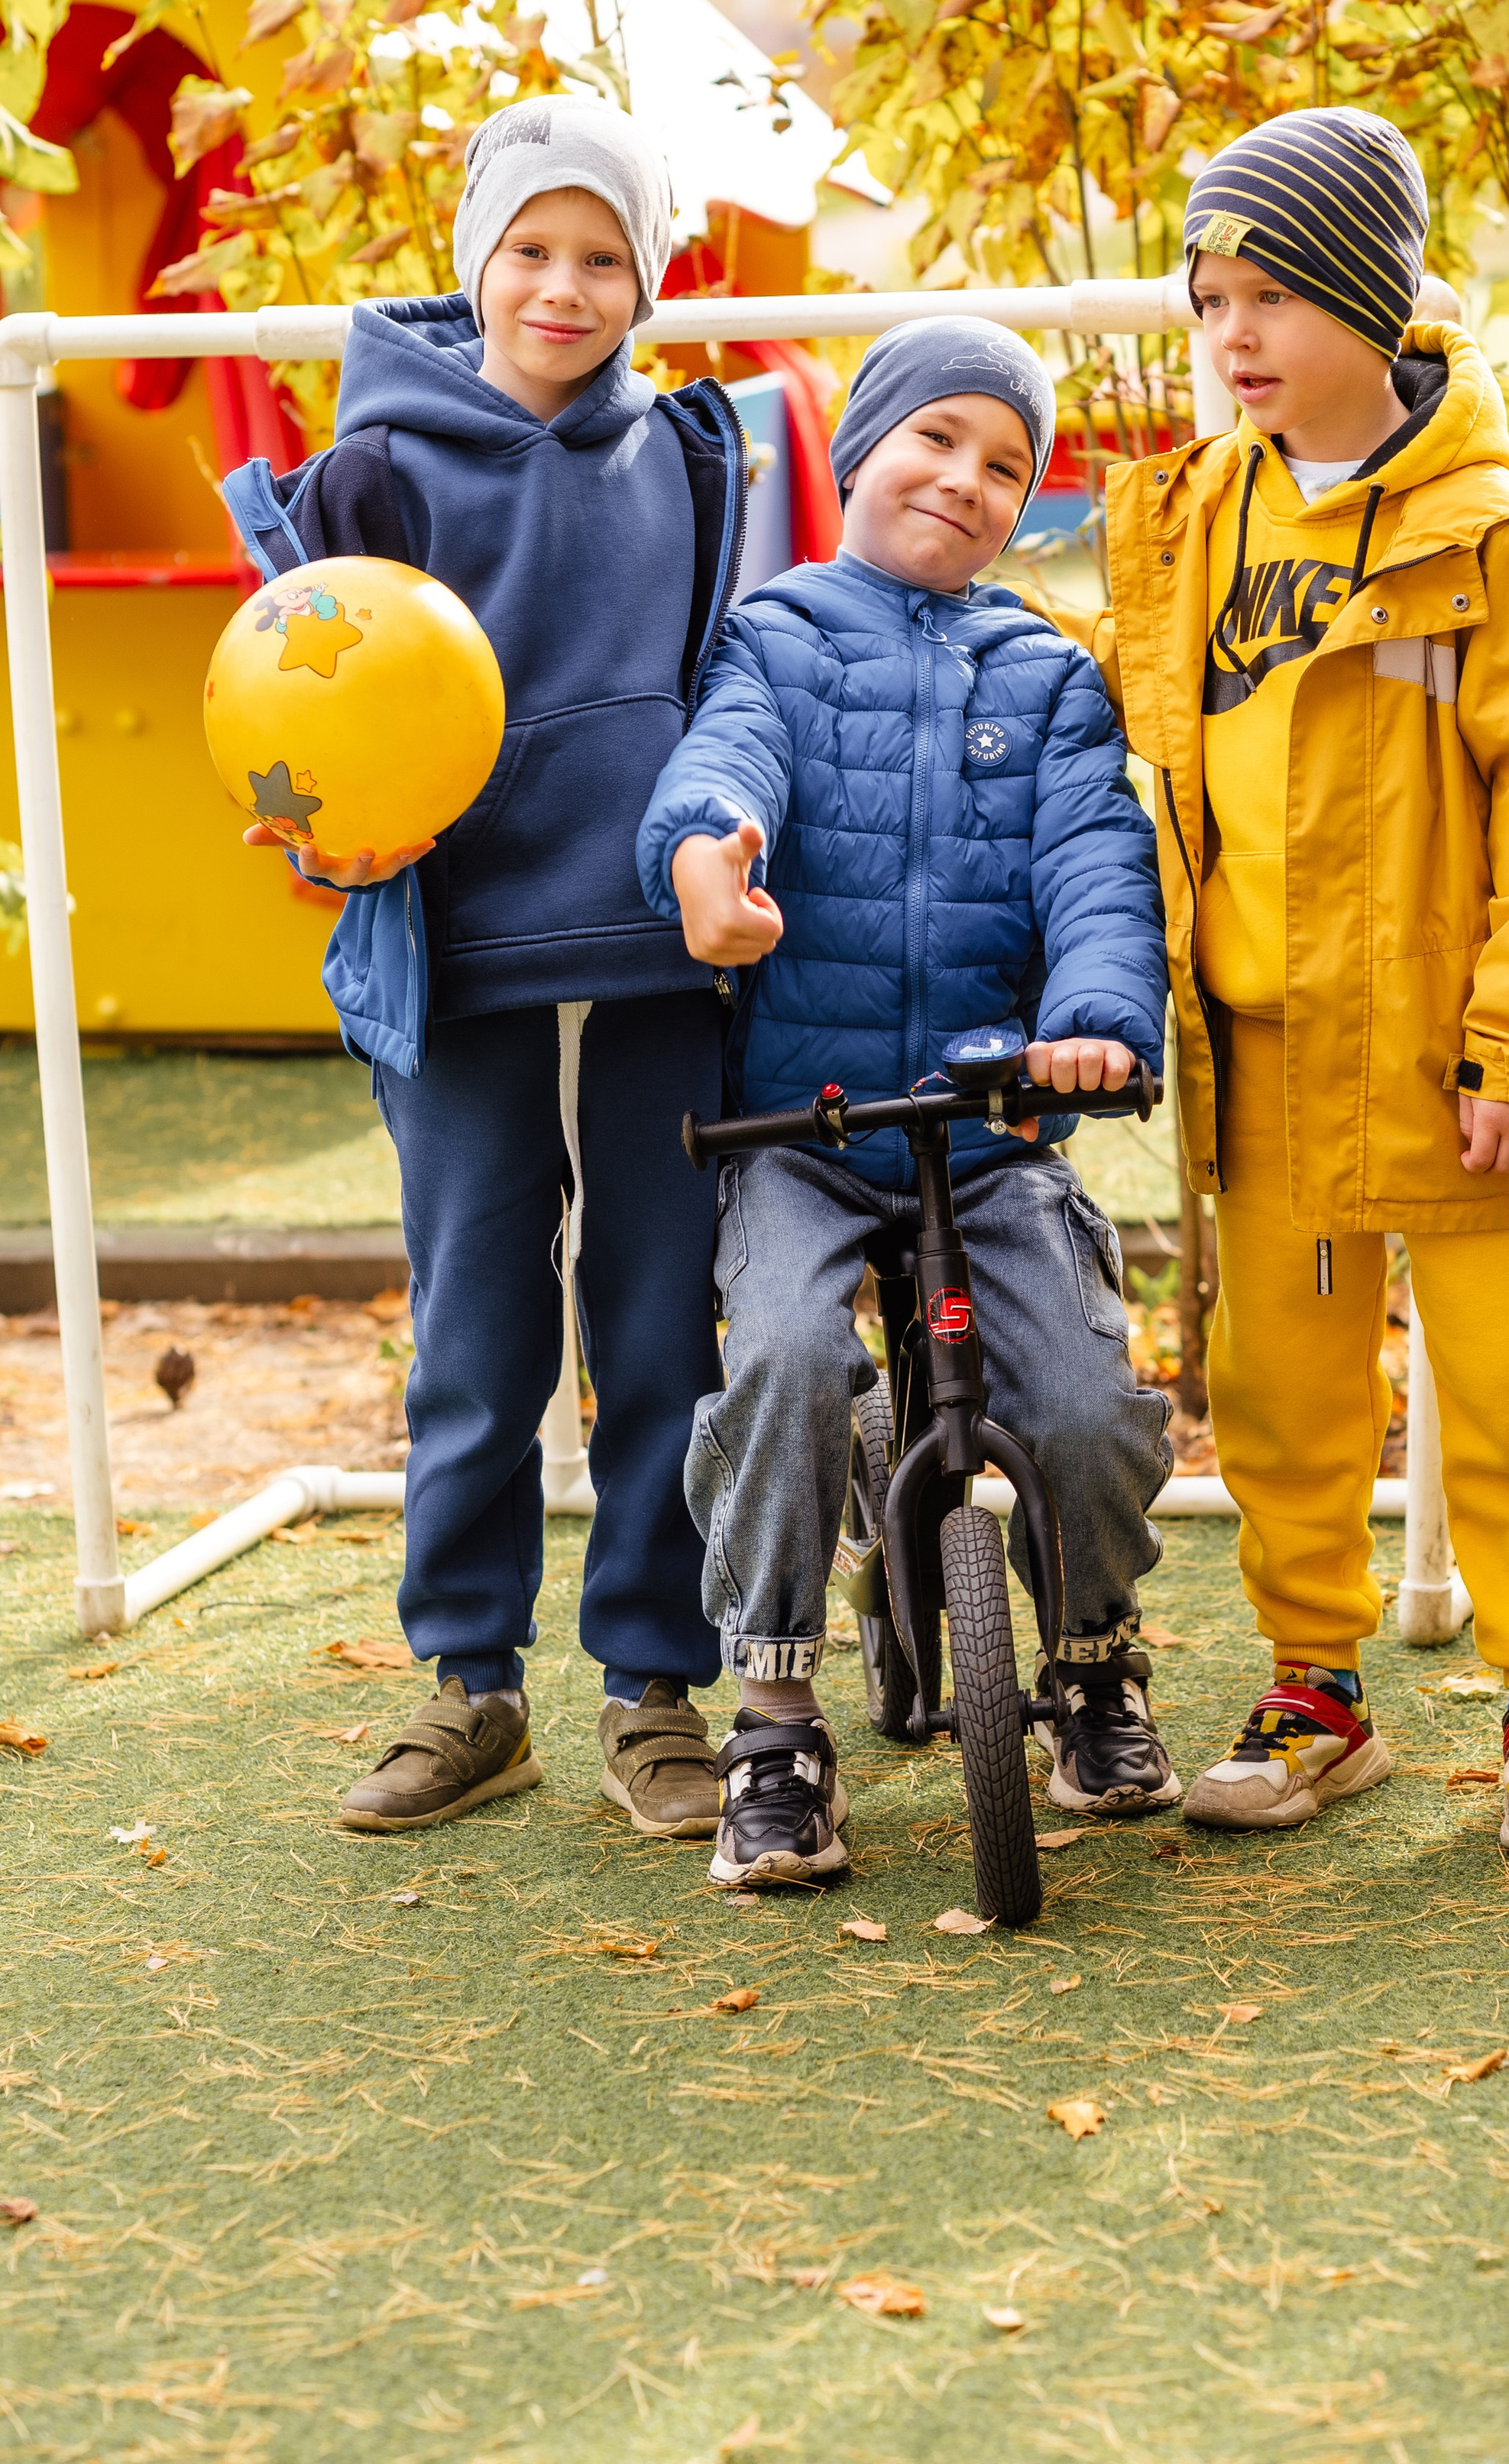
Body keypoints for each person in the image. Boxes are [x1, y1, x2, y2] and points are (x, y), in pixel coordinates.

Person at [1031, 106, 1509, 1855]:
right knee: (1282, 1394)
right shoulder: (1193, 517)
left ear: (1371, 309)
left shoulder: (1484, 536)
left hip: (1458, 1058)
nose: (1232, 338)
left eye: (1274, 296)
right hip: (1266, 1046)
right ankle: (1312, 1686)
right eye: (1210, 297)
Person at [222, 95, 741, 1840]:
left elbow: (728, 690)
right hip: (456, 961)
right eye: (530, 249)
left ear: (646, 279)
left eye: (604, 257)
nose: (563, 287)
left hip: (662, 959)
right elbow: (316, 710)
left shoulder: (687, 457)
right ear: (477, 258)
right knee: (476, 1331)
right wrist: (316, 837)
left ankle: (656, 1686)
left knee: (664, 1322)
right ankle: (471, 1684)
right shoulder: (376, 472)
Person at [637, 319, 1177, 1888]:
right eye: (934, 438)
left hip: (986, 1123)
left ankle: (1090, 1654)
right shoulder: (777, 634)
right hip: (804, 1131)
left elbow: (1094, 867)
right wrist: (707, 857)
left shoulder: (1047, 678)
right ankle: (773, 1715)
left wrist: (1089, 1023)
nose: (965, 479)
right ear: (857, 448)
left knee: (1078, 1397)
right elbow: (723, 765)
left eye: (1006, 464)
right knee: (794, 1360)